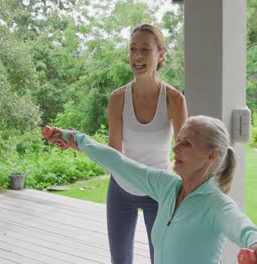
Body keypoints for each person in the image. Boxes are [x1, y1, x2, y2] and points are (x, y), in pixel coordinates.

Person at [44, 115, 257, 264]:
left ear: (211, 155)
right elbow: (119, 163)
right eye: (178, 140)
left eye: (186, 144)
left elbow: (243, 227)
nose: (175, 149)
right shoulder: (167, 187)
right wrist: (75, 139)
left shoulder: (216, 206)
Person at [105, 24, 187, 263]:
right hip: (121, 189)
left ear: (160, 54)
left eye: (145, 49)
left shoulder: (174, 99)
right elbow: (113, 154)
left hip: (158, 192)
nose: (137, 56)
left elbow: (185, 154)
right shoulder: (118, 99)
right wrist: (80, 143)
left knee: (161, 259)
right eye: (133, 49)